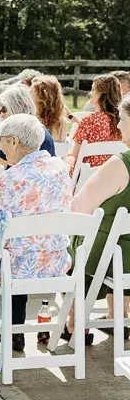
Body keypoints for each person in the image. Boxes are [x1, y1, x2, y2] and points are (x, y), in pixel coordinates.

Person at [0, 114, 73, 352]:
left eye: (0, 139)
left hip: (17, 265)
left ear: (15, 141)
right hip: (54, 262)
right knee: (16, 248)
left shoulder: (9, 179)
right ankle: (14, 334)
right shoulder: (60, 168)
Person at [68, 94, 130, 341]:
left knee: (74, 242)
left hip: (116, 258)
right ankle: (117, 314)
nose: (117, 125)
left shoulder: (120, 164)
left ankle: (74, 321)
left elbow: (78, 209)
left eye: (123, 119)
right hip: (122, 256)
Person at [68, 74, 123, 174]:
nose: (90, 93)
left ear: (102, 94)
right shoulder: (123, 120)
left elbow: (74, 155)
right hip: (114, 176)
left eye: (93, 89)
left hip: (87, 178)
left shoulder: (90, 121)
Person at [0, 86, 56, 167]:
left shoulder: (10, 136)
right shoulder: (43, 131)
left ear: (20, 105)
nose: (1, 114)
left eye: (4, 109)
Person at [31, 75, 68, 142]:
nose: (29, 94)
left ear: (43, 96)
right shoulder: (62, 121)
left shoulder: (33, 120)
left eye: (32, 92)